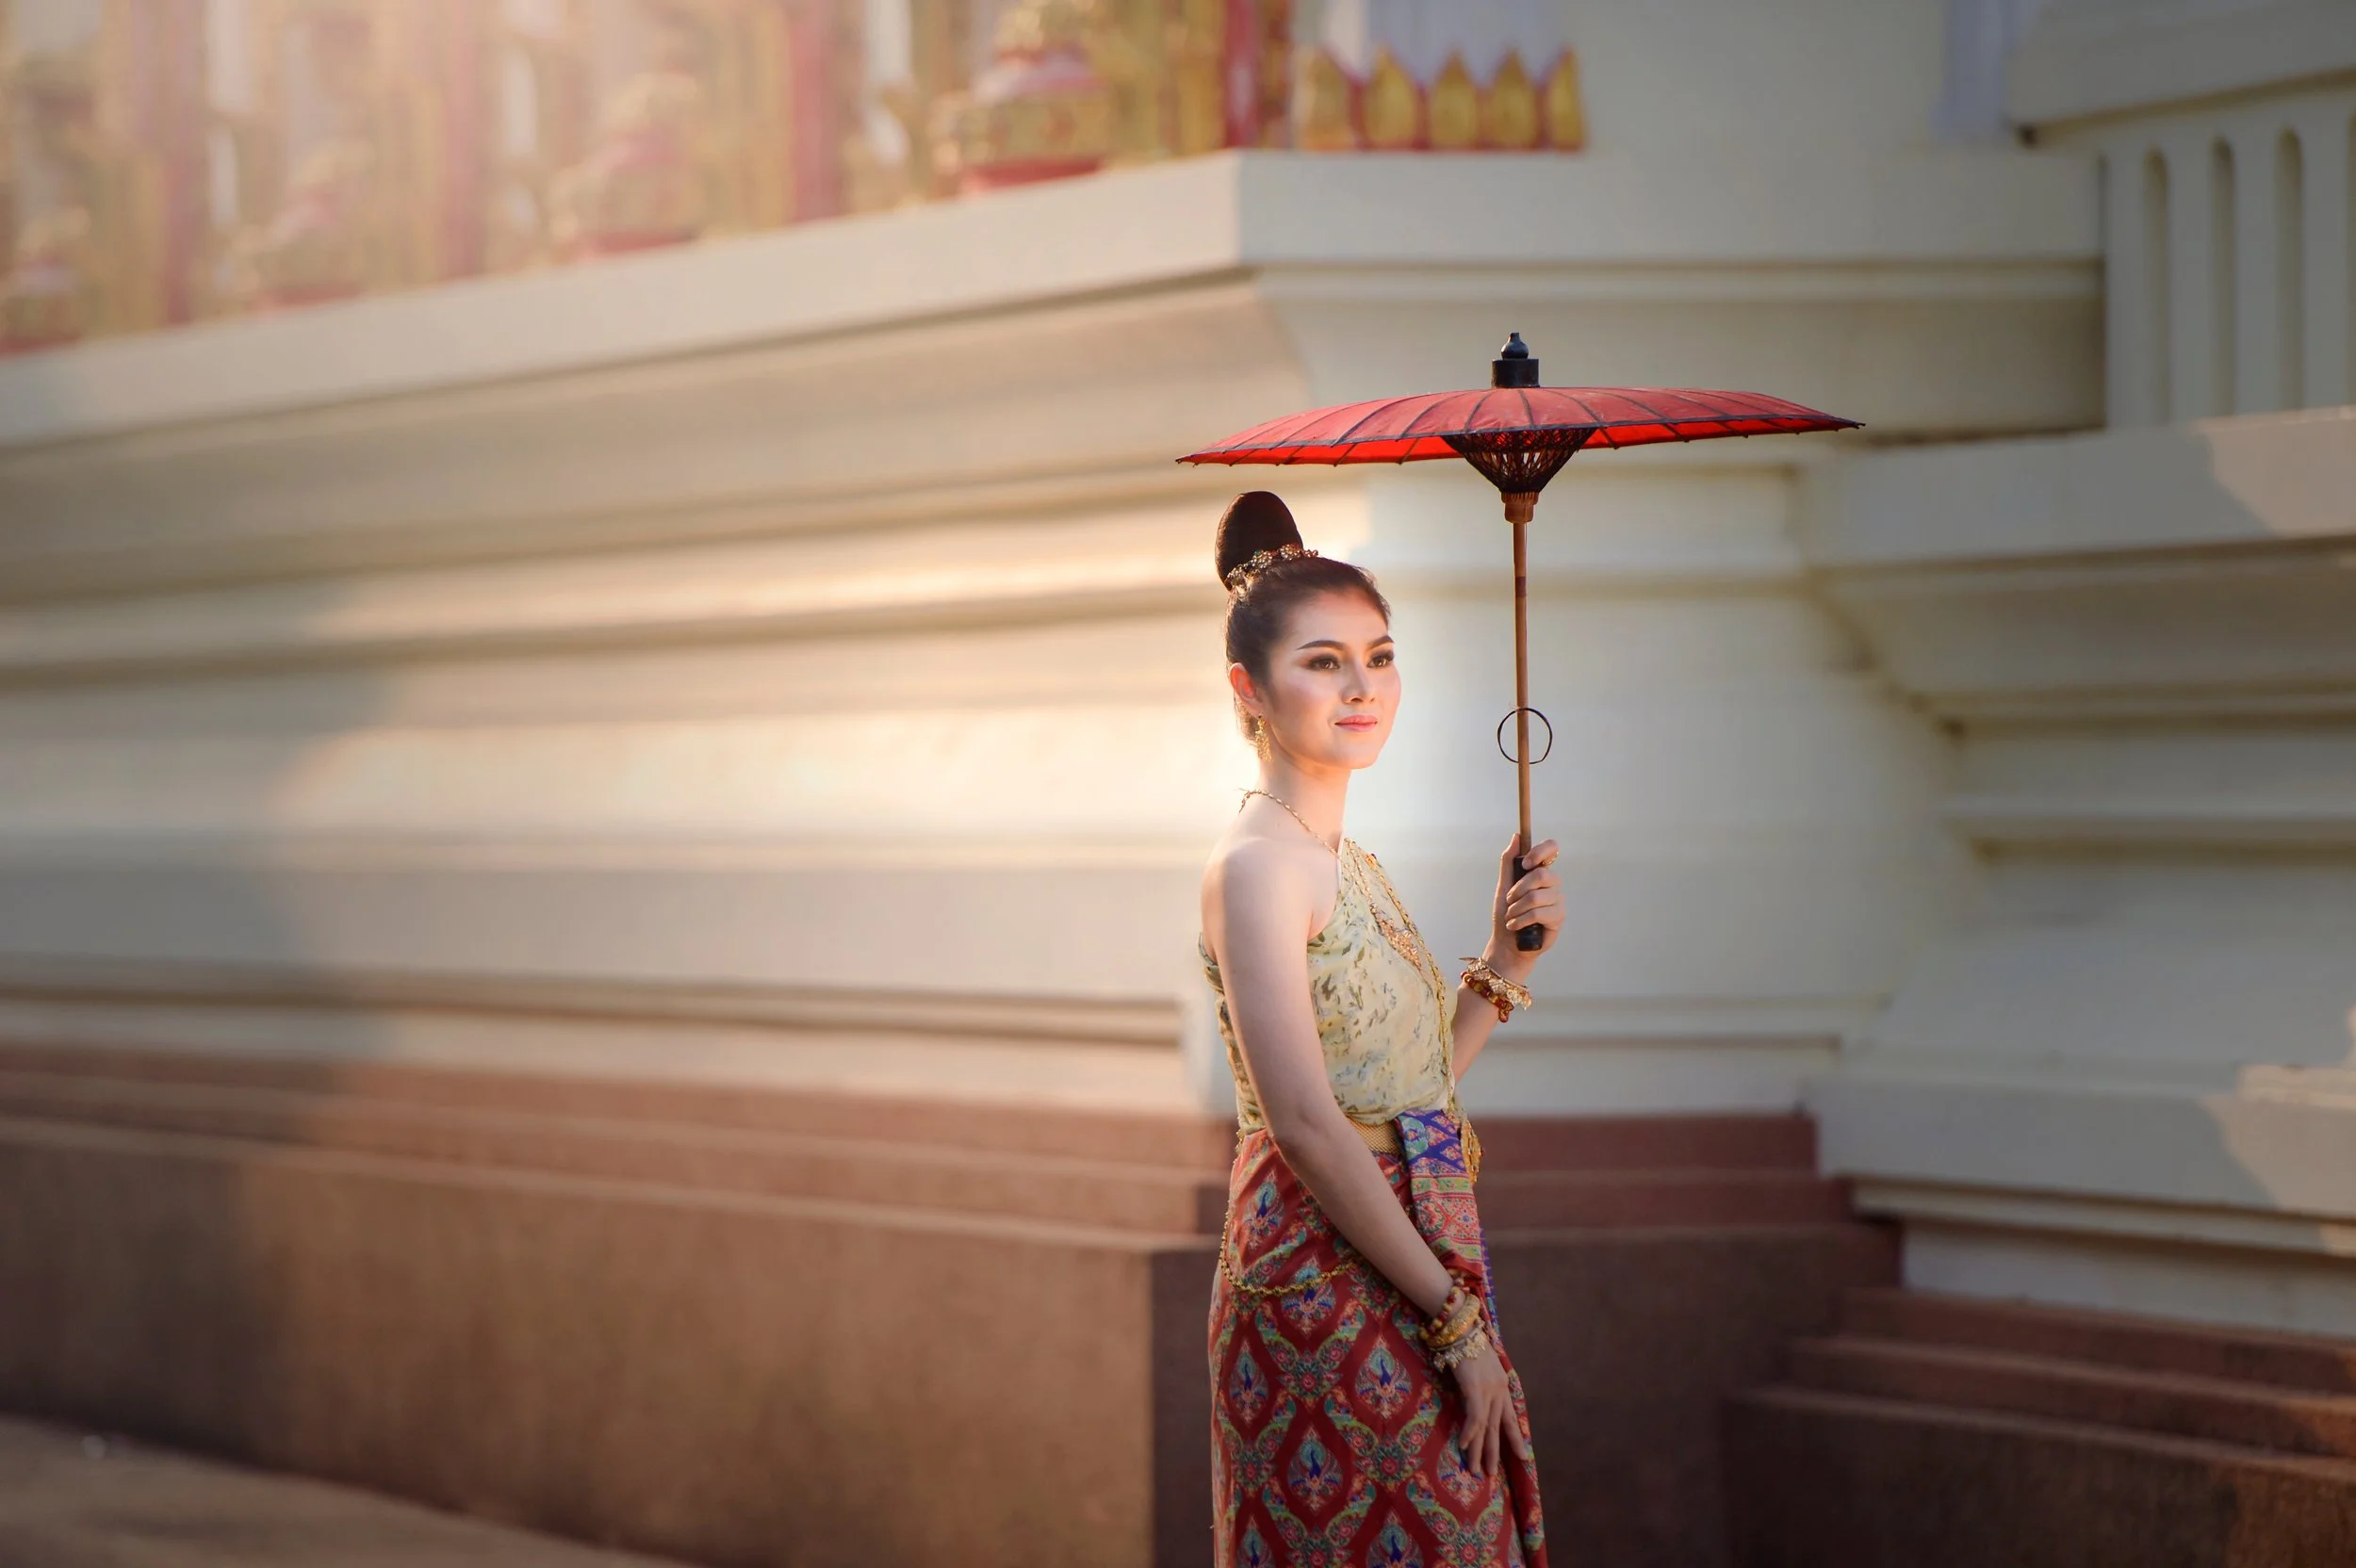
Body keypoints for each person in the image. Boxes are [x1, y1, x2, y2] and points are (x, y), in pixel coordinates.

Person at [1199, 491, 1561, 1568]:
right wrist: (1452, 1324)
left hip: (1409, 1252)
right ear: (1249, 690)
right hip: (1321, 1279)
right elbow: (1309, 1124)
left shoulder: (1344, 862)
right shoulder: (1258, 868)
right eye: (1324, 661)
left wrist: (1502, 966)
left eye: (1380, 653)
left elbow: (1403, 1092)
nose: (1362, 686)